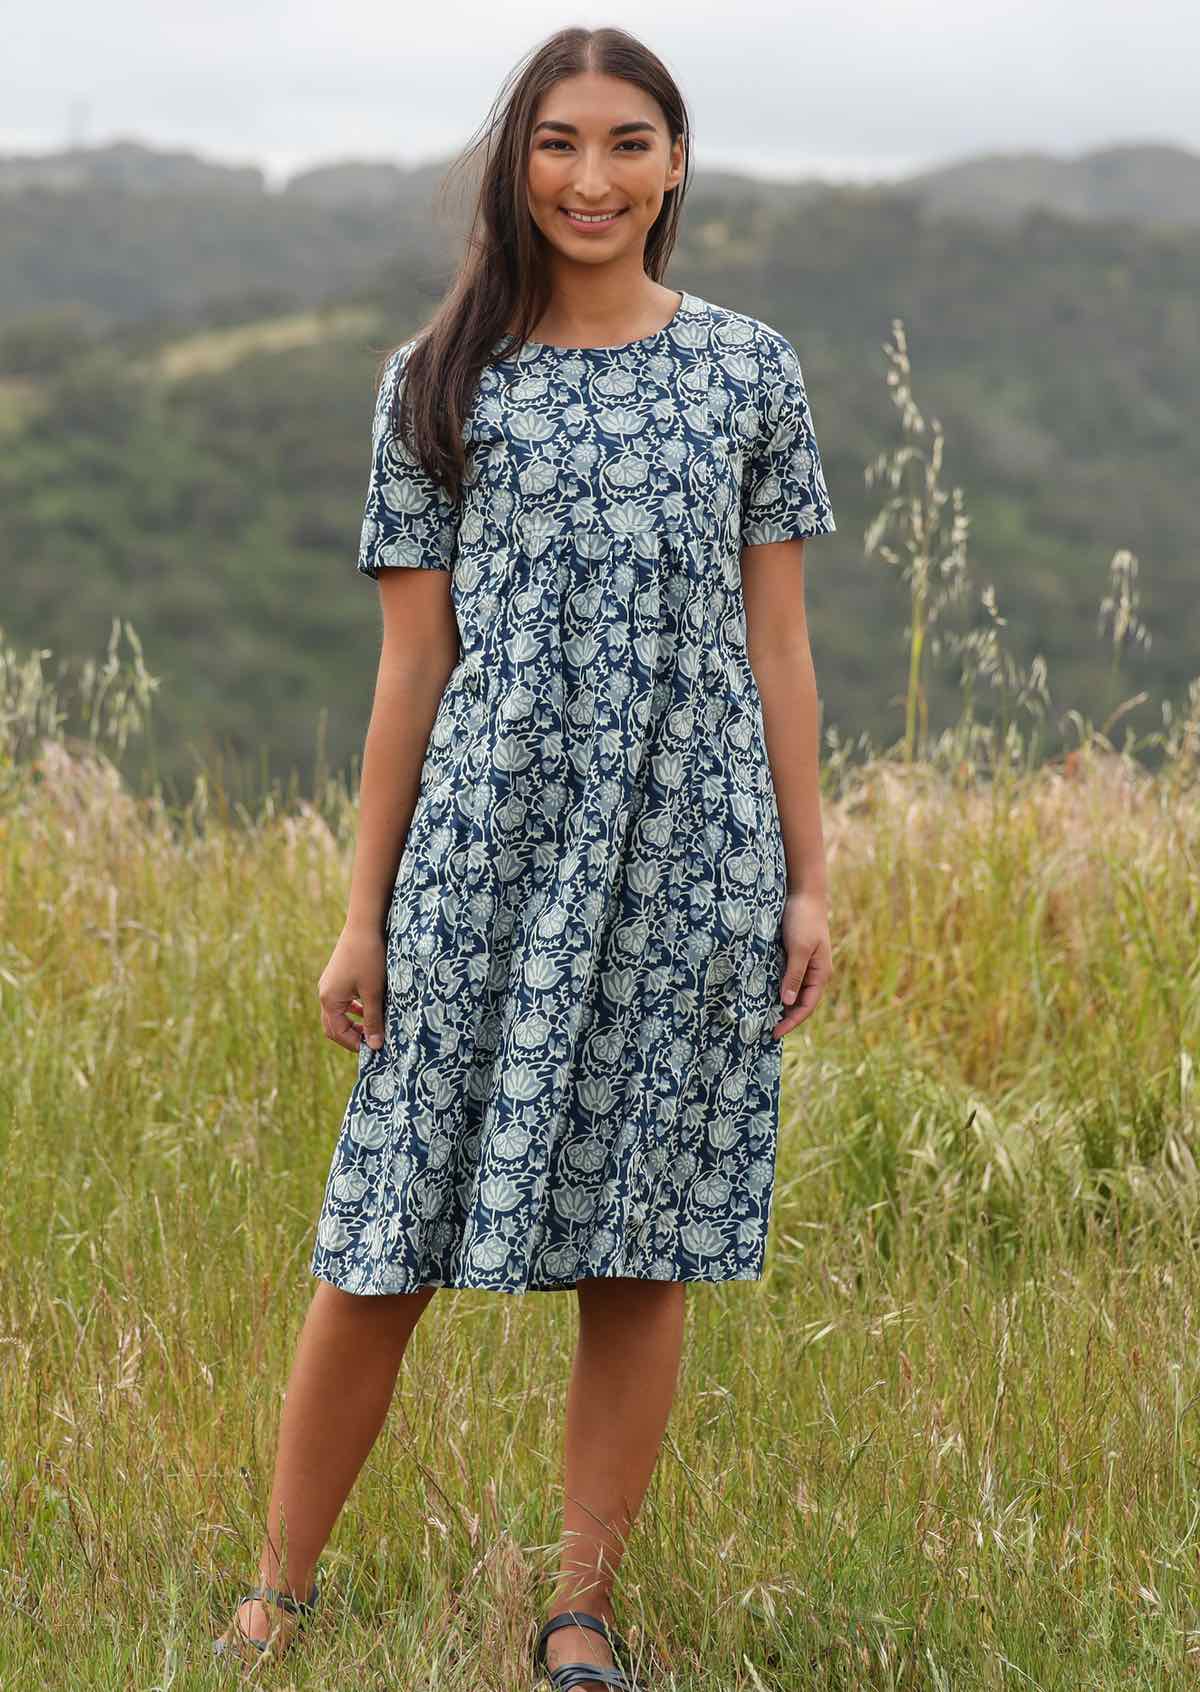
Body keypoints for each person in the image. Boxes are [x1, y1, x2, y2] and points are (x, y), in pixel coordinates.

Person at [213, 23, 836, 1691]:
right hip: (485, 853)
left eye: (630, 143)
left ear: (678, 164)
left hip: (691, 850)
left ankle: (579, 1613)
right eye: (559, 143)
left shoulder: (749, 369)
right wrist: (365, 917)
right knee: (382, 1233)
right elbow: (411, 669)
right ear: (518, 162)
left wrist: (808, 876)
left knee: (641, 1244)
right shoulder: (437, 380)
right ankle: (276, 1595)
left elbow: (780, 647)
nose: (593, 177)